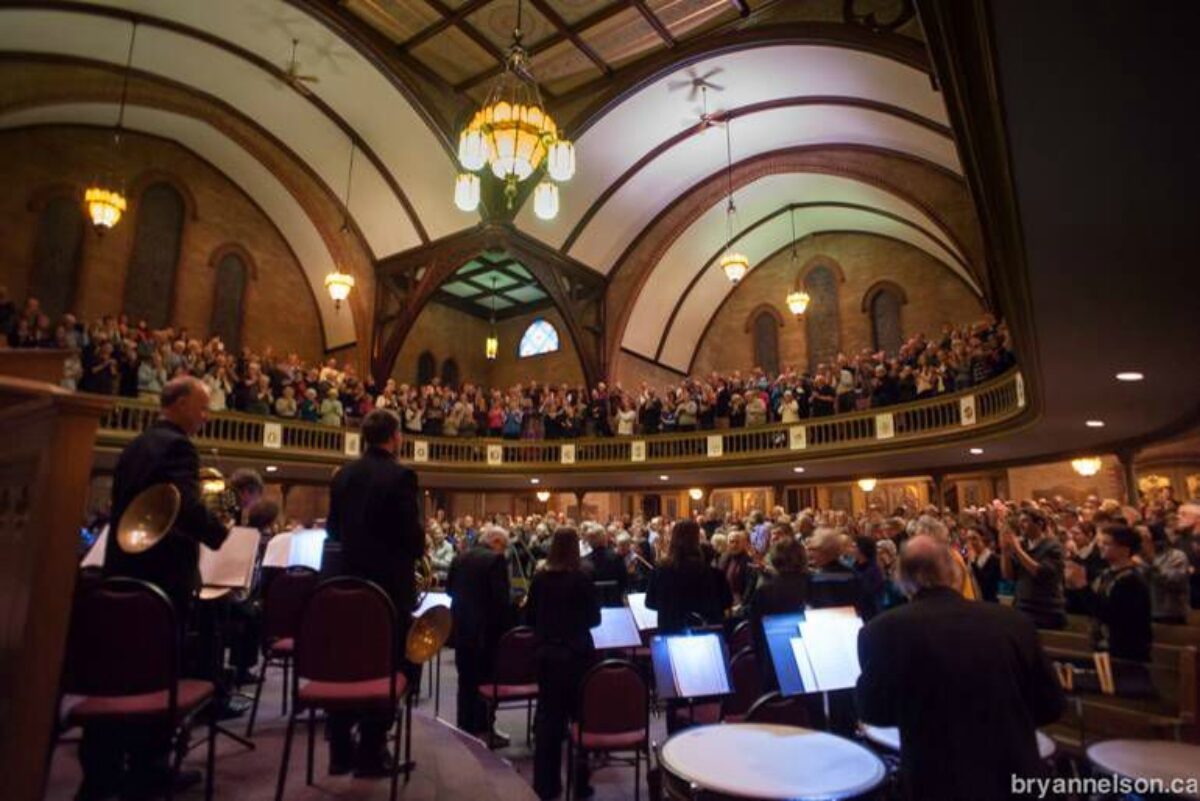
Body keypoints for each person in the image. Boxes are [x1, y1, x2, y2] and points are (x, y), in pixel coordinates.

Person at [90, 376, 229, 800]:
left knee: (120, 669)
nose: (205, 417)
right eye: (202, 408)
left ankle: (103, 767)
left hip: (125, 569)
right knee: (157, 667)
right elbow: (183, 505)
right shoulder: (176, 446)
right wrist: (218, 532)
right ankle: (150, 766)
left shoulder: (136, 445)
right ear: (181, 402)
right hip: (162, 574)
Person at [856, 535, 1065, 801]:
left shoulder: (881, 630)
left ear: (901, 580)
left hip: (935, 782)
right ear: (956, 574)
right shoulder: (1015, 622)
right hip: (1015, 778)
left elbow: (874, 712)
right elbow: (1051, 706)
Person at [325, 408, 424, 776]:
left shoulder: (343, 475)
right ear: (395, 436)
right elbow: (412, 540)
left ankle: (339, 748)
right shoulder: (401, 476)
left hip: (347, 583)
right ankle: (371, 750)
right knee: (387, 661)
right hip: (388, 588)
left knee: (348, 659)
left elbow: (334, 531)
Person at [526, 528, 601, 800]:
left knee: (548, 721)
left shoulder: (540, 578)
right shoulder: (582, 578)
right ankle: (580, 786)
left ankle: (546, 785)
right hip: (577, 656)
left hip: (547, 656)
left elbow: (529, 617)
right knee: (580, 719)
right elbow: (595, 619)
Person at [447, 525, 512, 741]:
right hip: (487, 633)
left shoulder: (460, 558)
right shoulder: (495, 561)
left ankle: (464, 727)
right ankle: (485, 728)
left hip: (462, 629)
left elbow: (449, 590)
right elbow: (501, 601)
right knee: (485, 681)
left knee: (465, 680)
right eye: (504, 545)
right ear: (495, 542)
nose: (504, 551)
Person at [1066, 525, 1153, 663]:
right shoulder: (1105, 574)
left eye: (1107, 543)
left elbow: (1112, 615)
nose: (1100, 546)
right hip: (1102, 648)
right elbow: (1089, 607)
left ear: (1124, 549)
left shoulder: (1132, 580)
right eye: (1100, 542)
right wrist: (1072, 586)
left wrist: (1082, 586)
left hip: (1125, 653)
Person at [645, 519, 731, 633]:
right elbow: (726, 602)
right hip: (702, 632)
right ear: (697, 540)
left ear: (673, 538)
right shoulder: (712, 572)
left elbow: (650, 602)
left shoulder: (660, 570)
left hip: (670, 629)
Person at [747, 537, 808, 690]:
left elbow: (755, 631)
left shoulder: (766, 590)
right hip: (808, 651)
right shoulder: (814, 583)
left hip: (774, 656)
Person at [1000, 507, 1067, 629]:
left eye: (1025, 521)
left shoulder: (1053, 546)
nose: (1021, 525)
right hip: (1022, 607)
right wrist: (1005, 552)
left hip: (1046, 611)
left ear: (1039, 524)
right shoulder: (1023, 545)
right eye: (1020, 522)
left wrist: (1017, 549)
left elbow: (1041, 573)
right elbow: (1008, 576)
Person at [581, 524, 627, 606]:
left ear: (589, 542)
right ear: (604, 539)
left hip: (592, 605)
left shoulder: (584, 562)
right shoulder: (617, 558)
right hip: (615, 603)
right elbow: (624, 582)